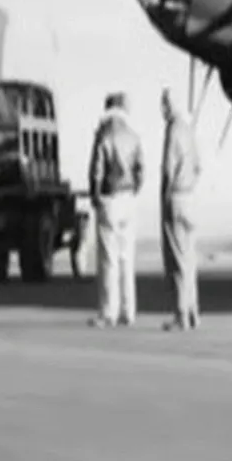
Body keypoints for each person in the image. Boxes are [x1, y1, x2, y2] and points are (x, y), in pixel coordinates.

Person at [87, 92, 144, 327]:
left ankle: (108, 312)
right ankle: (128, 311)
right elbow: (141, 170)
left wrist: (95, 195)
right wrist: (134, 190)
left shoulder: (104, 134)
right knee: (126, 259)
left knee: (108, 259)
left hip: (109, 198)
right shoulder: (133, 135)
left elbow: (96, 170)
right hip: (129, 198)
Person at [159, 87, 202, 330]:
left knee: (176, 260)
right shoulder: (188, 129)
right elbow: (198, 165)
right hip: (190, 198)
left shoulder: (173, 129)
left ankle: (181, 314)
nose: (162, 109)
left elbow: (167, 168)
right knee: (190, 259)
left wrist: (166, 195)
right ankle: (194, 312)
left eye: (164, 103)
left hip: (175, 197)